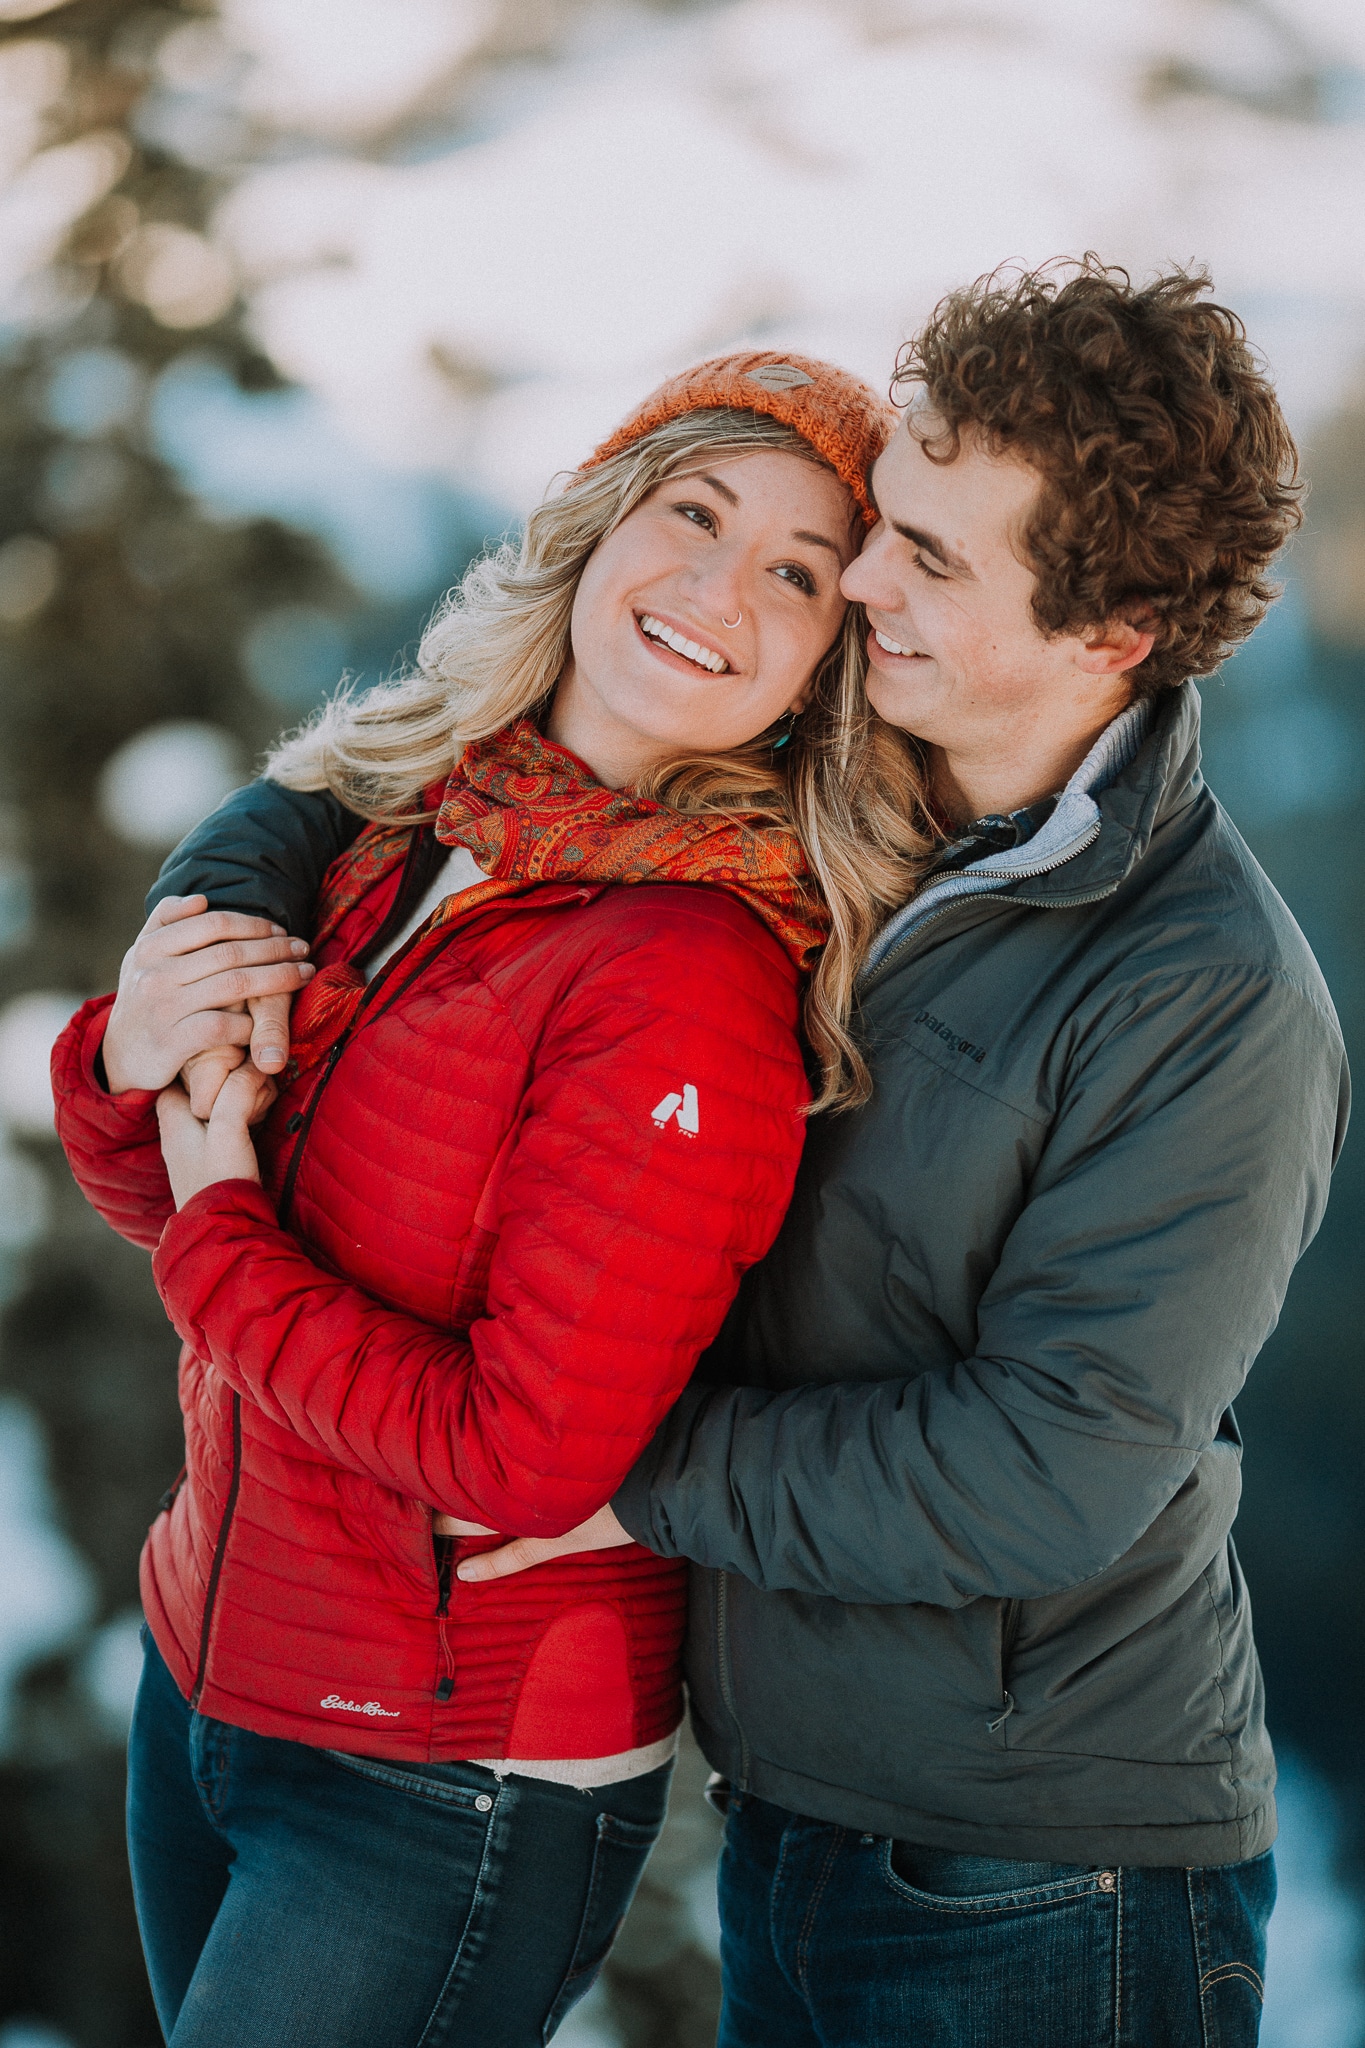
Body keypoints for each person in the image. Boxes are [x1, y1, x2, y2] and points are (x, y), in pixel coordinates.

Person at [134, 265, 1350, 2047]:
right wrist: (221, 895)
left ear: (1110, 635)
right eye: (880, 532)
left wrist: (607, 1474)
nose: (858, 580)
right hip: (791, 1804)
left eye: (925, 558)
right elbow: (436, 764)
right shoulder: (823, 786)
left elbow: (1046, 1472)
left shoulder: (1208, 998)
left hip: (1044, 1872)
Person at [52, 353, 931, 2048]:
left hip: (438, 1779)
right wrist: (128, 1060)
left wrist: (218, 1224)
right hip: (212, 1674)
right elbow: (182, 1192)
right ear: (599, 522)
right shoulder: (418, 824)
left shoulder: (689, 980)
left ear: (830, 660)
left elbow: (519, 1452)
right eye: (693, 510)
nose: (714, 587)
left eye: (797, 572)